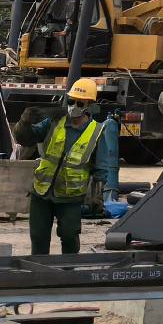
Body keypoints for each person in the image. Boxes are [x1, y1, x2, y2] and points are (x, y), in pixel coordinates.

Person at [29, 77, 105, 254]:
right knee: (39, 236)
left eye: (79, 103)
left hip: (70, 197)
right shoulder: (55, 121)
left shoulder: (97, 131)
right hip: (42, 192)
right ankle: (39, 272)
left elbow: (102, 168)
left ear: (89, 106)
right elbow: (29, 137)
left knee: (69, 235)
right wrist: (25, 124)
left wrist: (97, 196)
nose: (73, 107)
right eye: (71, 101)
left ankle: (68, 272)